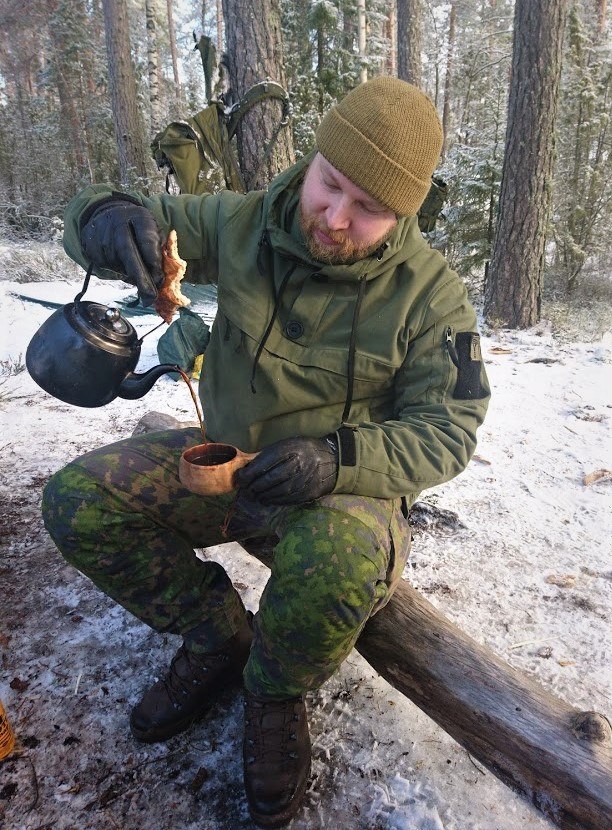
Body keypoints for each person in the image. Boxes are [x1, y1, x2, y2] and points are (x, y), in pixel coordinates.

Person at [42, 76, 490, 828]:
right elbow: (122, 214)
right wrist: (105, 219)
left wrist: (337, 458)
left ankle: (274, 692)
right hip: (228, 461)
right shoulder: (245, 222)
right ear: (313, 159)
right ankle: (217, 635)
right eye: (330, 184)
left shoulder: (431, 298)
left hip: (336, 490)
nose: (337, 218)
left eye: (370, 209)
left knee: (338, 566)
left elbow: (449, 430)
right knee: (78, 503)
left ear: (405, 212)